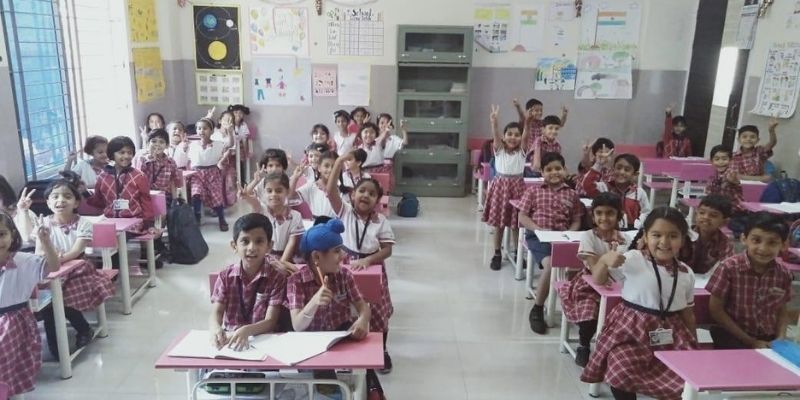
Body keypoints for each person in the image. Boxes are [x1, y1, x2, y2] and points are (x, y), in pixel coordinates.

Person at [582, 207, 697, 400]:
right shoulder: (633, 258)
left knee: (679, 379)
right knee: (620, 370)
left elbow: (688, 314)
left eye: (673, 236)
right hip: (629, 332)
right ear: (645, 236)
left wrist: (695, 345)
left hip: (671, 334)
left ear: (683, 239)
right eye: (657, 235)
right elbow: (599, 279)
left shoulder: (686, 273)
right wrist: (603, 261)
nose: (664, 242)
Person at [285, 219, 384, 400]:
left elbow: (363, 307)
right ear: (316, 257)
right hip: (310, 344)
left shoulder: (344, 275)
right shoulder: (296, 282)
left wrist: (362, 320)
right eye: (337, 251)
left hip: (340, 334)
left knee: (365, 366)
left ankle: (374, 391)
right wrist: (314, 302)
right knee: (328, 388)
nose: (343, 256)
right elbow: (298, 325)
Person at [327, 151, 396, 374]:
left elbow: (387, 249)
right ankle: (347, 347)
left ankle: (382, 349)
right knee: (345, 307)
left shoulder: (380, 220)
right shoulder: (345, 211)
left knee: (377, 309)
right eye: (362, 191)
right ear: (352, 194)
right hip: (346, 264)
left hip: (373, 266)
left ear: (377, 200)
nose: (366, 196)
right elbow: (330, 191)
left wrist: (368, 260)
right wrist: (339, 162)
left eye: (372, 194)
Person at [37, 180, 115, 359]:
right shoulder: (44, 224)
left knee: (61, 299)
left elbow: (76, 251)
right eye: (55, 197)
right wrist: (51, 258)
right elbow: (39, 251)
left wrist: (57, 258)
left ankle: (83, 329)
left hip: (79, 269)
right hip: (52, 271)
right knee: (49, 304)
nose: (60, 200)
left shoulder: (83, 223)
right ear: (48, 202)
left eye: (67, 196)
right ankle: (58, 351)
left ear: (76, 202)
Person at [558, 192, 628, 367]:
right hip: (588, 284)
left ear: (619, 215)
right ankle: (584, 344)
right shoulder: (588, 236)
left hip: (617, 285)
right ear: (593, 215)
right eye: (599, 213)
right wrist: (606, 260)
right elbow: (597, 274)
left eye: (610, 213)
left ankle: (612, 348)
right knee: (589, 309)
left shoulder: (625, 239)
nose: (604, 218)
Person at [519, 152, 584, 334]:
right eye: (549, 169)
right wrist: (537, 229)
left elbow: (576, 220)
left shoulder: (572, 194)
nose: (554, 172)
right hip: (538, 237)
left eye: (558, 168)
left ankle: (575, 307)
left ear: (565, 170)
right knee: (550, 265)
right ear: (542, 172)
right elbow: (522, 216)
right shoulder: (533, 191)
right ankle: (538, 308)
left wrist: (570, 233)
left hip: (563, 237)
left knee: (578, 267)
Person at [707, 211, 792, 349]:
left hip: (767, 338)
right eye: (756, 240)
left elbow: (782, 310)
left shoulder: (783, 274)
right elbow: (716, 310)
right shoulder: (729, 268)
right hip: (732, 335)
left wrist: (780, 338)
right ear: (744, 239)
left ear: (783, 245)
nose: (763, 249)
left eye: (772, 243)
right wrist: (750, 341)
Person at [0, 212, 59, 397]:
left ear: (12, 235)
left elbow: (53, 266)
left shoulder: (23, 260)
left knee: (6, 367)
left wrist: (45, 241)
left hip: (12, 324)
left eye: (1, 234)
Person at [209, 213, 287, 351]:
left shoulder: (276, 278)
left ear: (269, 246)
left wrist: (247, 330)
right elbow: (217, 311)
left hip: (264, 341)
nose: (252, 247)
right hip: (230, 340)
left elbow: (271, 321)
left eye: (259, 241)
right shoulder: (225, 276)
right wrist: (215, 328)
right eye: (245, 241)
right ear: (234, 246)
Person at [481, 104, 529, 271]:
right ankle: (497, 253)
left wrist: (527, 122)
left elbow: (526, 135)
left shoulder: (522, 152)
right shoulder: (499, 150)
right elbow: (495, 135)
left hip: (517, 188)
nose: (513, 137)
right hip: (500, 188)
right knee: (499, 224)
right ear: (504, 136)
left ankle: (517, 253)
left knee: (516, 224)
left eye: (517, 135)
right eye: (509, 134)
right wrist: (494, 122)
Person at [239, 172, 303, 273]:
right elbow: (254, 202)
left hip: (287, 258)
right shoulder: (262, 210)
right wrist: (247, 197)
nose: (273, 194)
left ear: (287, 191)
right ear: (264, 192)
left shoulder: (296, 216)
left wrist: (281, 264)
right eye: (269, 191)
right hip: (263, 256)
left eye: (279, 191)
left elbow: (291, 243)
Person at [87, 136, 153, 226]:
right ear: (112, 154)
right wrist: (85, 193)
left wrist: (149, 224)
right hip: (109, 222)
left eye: (129, 153)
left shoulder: (139, 176)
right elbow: (99, 202)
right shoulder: (102, 177)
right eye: (122, 152)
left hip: (134, 223)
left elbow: (146, 202)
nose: (126, 156)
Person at [187, 117, 234, 230]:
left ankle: (221, 219)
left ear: (212, 131)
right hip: (197, 174)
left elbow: (230, 144)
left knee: (216, 196)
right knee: (196, 194)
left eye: (205, 128)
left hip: (213, 173)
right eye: (199, 128)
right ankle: (197, 217)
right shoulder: (192, 144)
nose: (201, 131)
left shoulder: (217, 144)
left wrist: (230, 132)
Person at [581, 153, 651, 230]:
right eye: (618, 168)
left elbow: (646, 212)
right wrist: (598, 164)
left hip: (630, 231)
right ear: (613, 170)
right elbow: (586, 185)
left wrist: (638, 224)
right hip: (606, 230)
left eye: (627, 170)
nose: (622, 172)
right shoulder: (605, 188)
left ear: (635, 174)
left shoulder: (639, 193)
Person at [687, 195, 735, 276]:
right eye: (702, 213)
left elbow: (726, 269)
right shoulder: (684, 236)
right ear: (696, 213)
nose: (705, 217)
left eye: (713, 215)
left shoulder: (726, 243)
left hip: (710, 281)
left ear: (725, 222)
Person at [133, 128, 181, 207]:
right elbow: (138, 179)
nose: (157, 144)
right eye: (154, 141)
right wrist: (150, 160)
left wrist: (175, 200)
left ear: (167, 145)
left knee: (164, 209)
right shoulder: (143, 159)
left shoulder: (170, 162)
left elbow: (173, 182)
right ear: (148, 143)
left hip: (165, 196)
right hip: (146, 196)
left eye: (161, 142)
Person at [292, 150, 338, 221]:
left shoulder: (343, 189)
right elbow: (290, 197)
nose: (330, 170)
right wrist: (295, 178)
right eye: (326, 166)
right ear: (319, 168)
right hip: (317, 225)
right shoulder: (312, 186)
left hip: (338, 225)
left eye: (334, 166)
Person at [213, 110, 241, 207]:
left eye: (231, 121)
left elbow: (231, 146)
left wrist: (229, 133)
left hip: (227, 161)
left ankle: (227, 202)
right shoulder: (214, 133)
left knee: (229, 179)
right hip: (215, 160)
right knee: (217, 181)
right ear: (220, 121)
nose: (228, 123)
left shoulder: (232, 134)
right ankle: (218, 202)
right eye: (226, 120)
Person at [707, 145, 743, 211]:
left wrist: (734, 180)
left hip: (734, 208)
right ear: (711, 161)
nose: (721, 162)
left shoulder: (731, 172)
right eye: (717, 159)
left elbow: (734, 178)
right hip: (718, 207)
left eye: (724, 159)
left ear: (731, 160)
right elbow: (709, 192)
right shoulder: (713, 174)